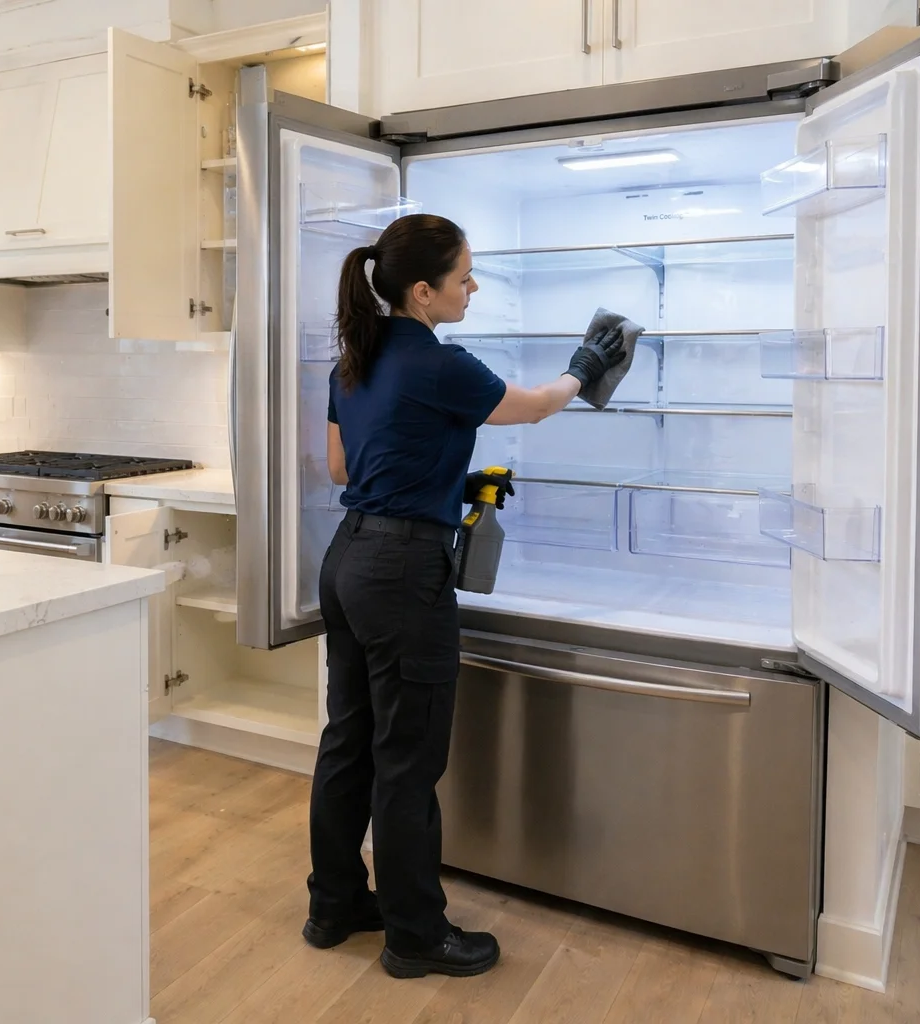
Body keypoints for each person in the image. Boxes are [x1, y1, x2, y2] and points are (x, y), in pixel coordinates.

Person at [302, 213, 627, 980]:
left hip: (348, 561)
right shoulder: (443, 366)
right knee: (407, 761)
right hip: (404, 573)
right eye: (463, 277)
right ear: (423, 291)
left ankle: (335, 905)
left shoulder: (355, 356)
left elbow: (344, 468)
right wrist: (584, 366)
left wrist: (447, 477)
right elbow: (538, 405)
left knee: (347, 741)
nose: (473, 286)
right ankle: (415, 936)